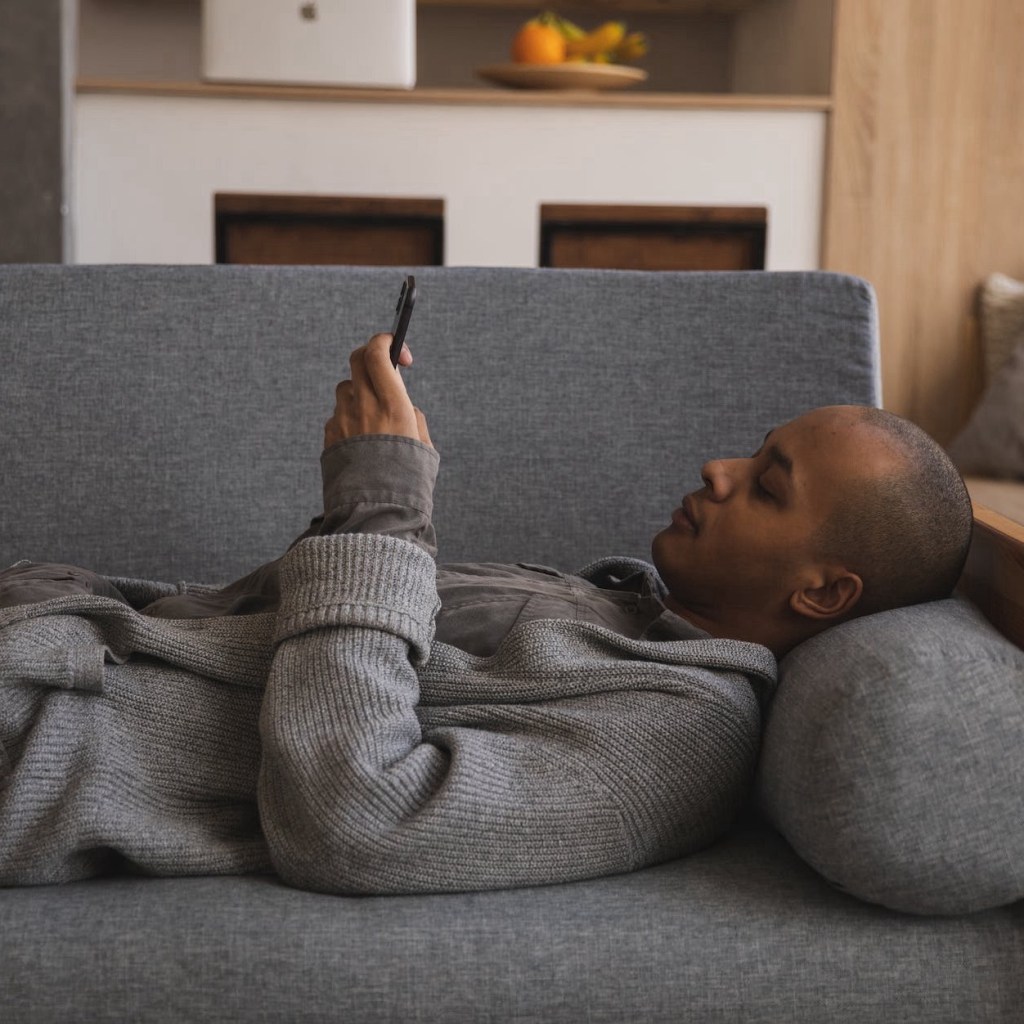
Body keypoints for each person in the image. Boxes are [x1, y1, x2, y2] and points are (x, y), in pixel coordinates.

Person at [0, 335, 973, 896]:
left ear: (822, 591)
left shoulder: (680, 734)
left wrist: (379, 503)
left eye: (766, 485)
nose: (719, 470)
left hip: (37, 737)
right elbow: (275, 643)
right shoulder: (623, 609)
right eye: (751, 452)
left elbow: (353, 823)